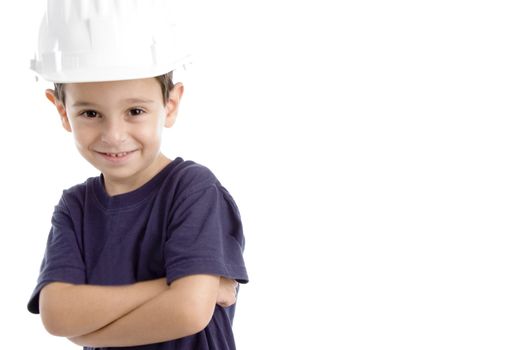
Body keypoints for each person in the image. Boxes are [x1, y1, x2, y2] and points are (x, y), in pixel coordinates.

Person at [26, 1, 249, 349]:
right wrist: (168, 286)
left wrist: (85, 332)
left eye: (135, 111)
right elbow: (56, 315)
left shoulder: (192, 189)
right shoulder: (74, 207)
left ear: (170, 105)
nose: (113, 135)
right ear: (63, 112)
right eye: (90, 113)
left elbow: (188, 311)